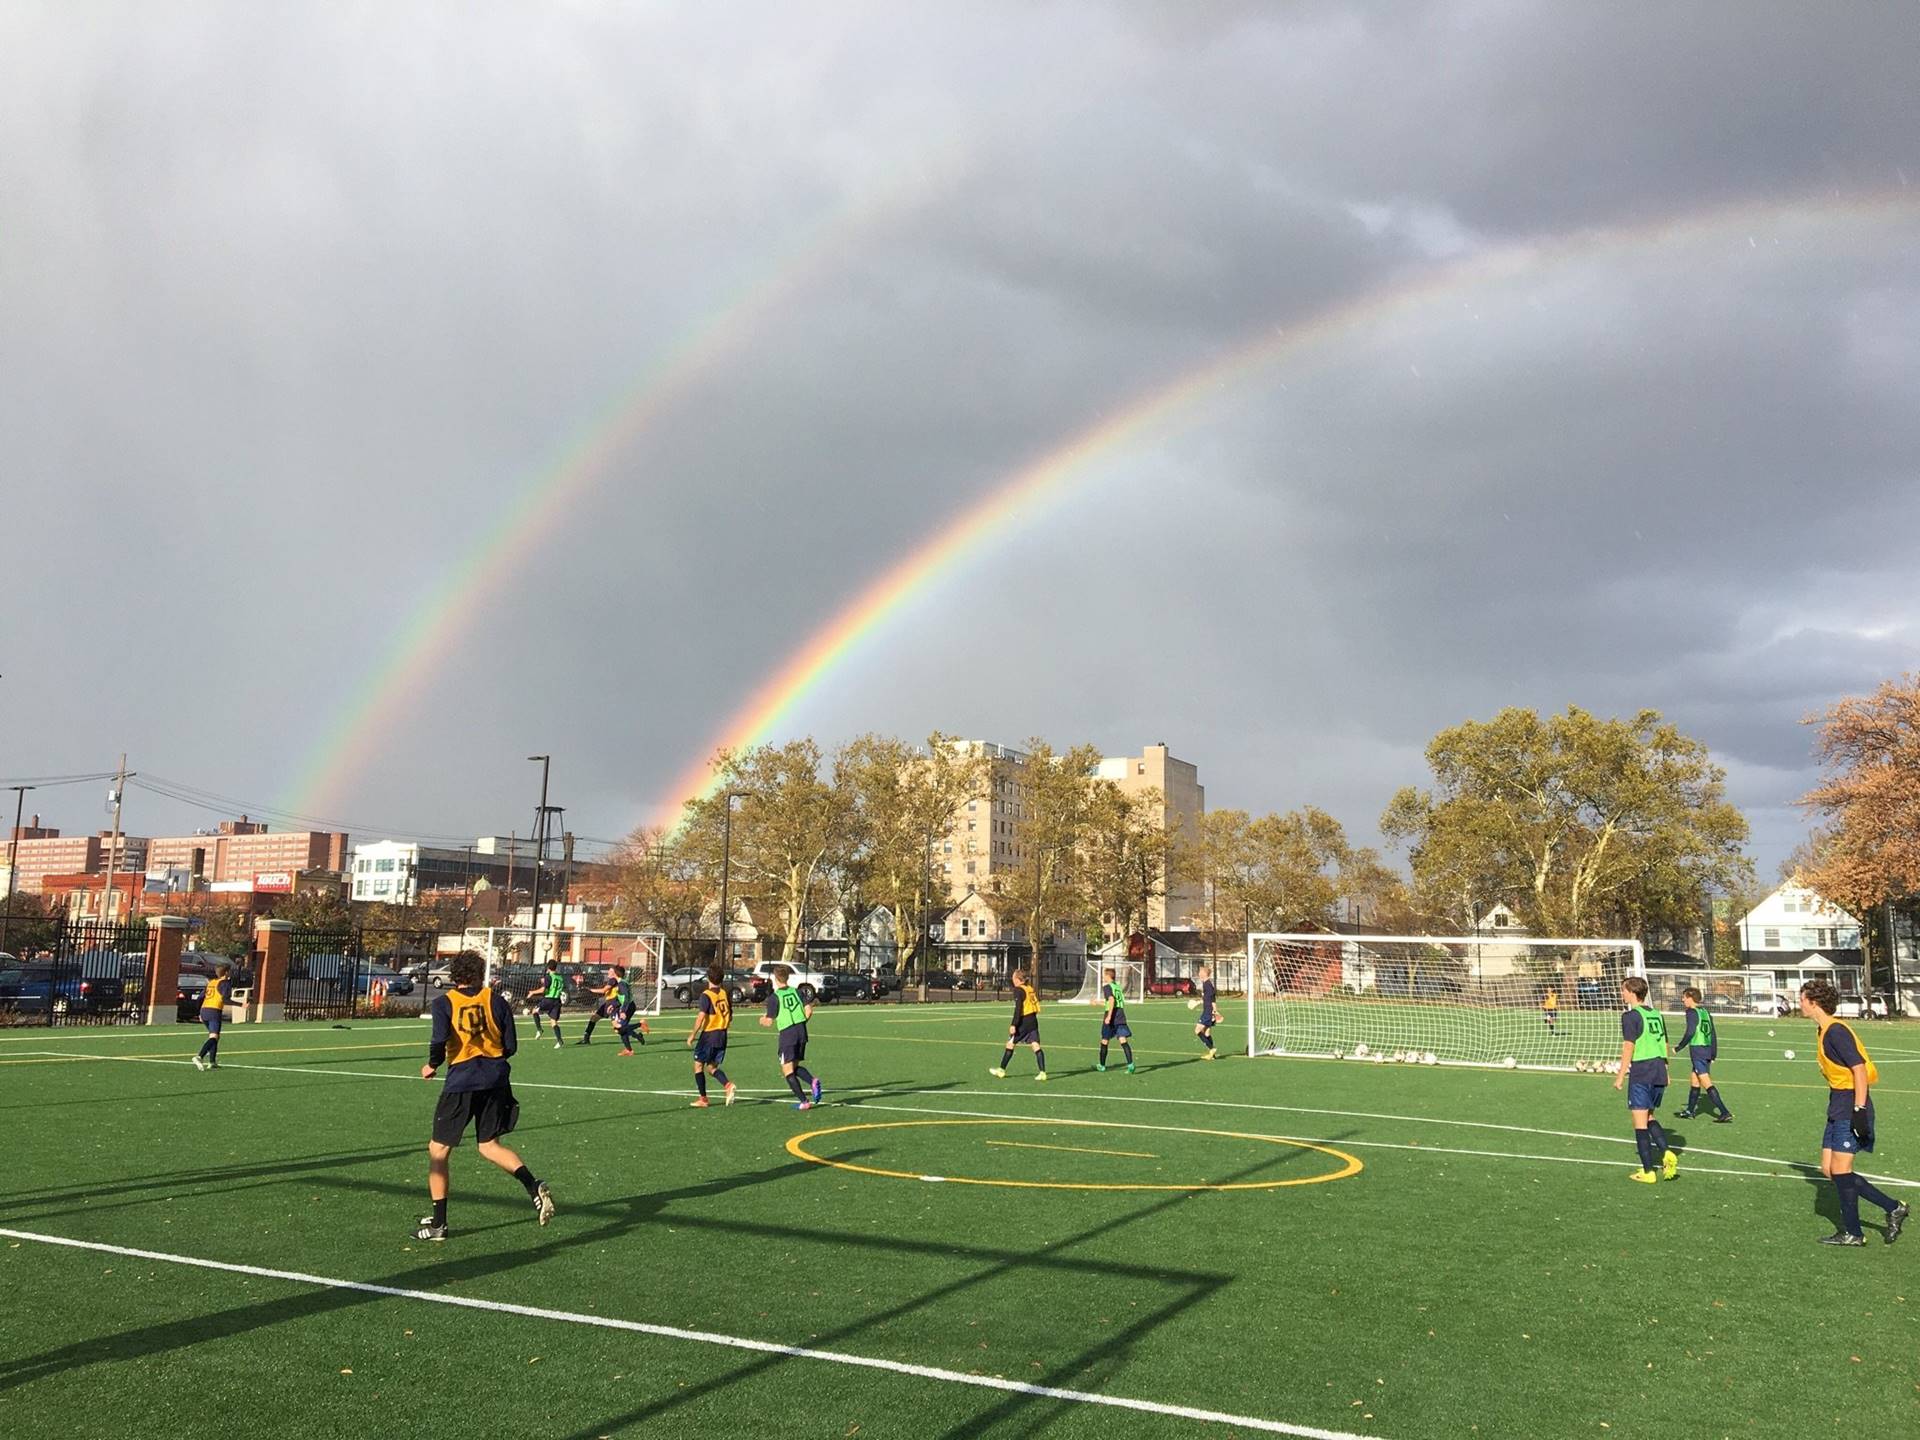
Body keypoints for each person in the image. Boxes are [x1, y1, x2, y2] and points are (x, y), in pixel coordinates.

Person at [415, 949, 553, 1241]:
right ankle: (532, 1184)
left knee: (438, 1150)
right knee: (488, 1145)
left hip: (463, 1081)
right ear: (479, 974)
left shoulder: (443, 1003)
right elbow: (511, 1045)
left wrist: (432, 1065)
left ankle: (439, 1224)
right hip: (496, 1079)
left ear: (454, 976)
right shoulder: (496, 1000)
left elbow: (440, 1039)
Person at [1800, 978, 1908, 1246]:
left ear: (1814, 1003)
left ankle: (1856, 1231)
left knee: (1842, 1170)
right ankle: (1891, 1208)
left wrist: (1859, 1110)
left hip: (1851, 1104)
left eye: (1802, 999)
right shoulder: (1823, 1030)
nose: (1799, 1003)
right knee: (1829, 1169)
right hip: (1838, 1103)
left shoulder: (1836, 1031)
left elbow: (1859, 1069)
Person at [1613, 976, 1677, 1184]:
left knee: (1639, 1124)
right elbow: (1664, 1042)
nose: (1622, 994)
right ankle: (1666, 1152)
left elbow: (1629, 1046)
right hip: (1658, 1068)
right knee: (1649, 1117)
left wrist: (1621, 1075)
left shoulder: (1630, 1016)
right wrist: (1666, 1070)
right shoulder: (1656, 1014)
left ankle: (1648, 1171)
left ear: (1632, 992)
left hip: (1642, 1070)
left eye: (1623, 990)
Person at [758, 964, 822, 1109]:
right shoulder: (797, 992)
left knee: (787, 1070)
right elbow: (809, 1010)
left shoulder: (775, 997)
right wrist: (802, 1023)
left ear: (775, 979)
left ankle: (804, 1101)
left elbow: (768, 1021)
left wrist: (762, 1020)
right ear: (787, 977)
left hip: (788, 1034)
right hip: (801, 1031)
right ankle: (812, 1081)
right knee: (794, 1065)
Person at [1672, 987, 1732, 1123]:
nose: (1682, 1000)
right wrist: (1713, 1053)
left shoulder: (1691, 1012)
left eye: (1684, 997)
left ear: (1690, 998)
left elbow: (1690, 1032)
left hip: (1698, 1050)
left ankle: (1724, 1111)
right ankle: (1690, 1111)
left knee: (1706, 1083)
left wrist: (1679, 1047)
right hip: (1706, 1050)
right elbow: (1713, 1034)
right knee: (1694, 1080)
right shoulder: (1705, 1012)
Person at [688, 963, 737, 1108]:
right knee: (711, 1068)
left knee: (698, 1066)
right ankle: (727, 1085)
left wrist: (692, 1035)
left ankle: (703, 1099)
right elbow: (730, 1015)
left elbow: (701, 1016)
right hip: (722, 1035)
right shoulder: (724, 993)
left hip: (709, 1035)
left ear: (708, 978)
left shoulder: (706, 995)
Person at [989, 968, 1047, 1080]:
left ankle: (1001, 1070)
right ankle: (1042, 1072)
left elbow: (1018, 1009)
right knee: (1035, 1045)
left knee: (1010, 1044)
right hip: (1033, 1020)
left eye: (1013, 978)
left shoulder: (1018, 990)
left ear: (1017, 979)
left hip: (1023, 1021)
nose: (1012, 980)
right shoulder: (1029, 989)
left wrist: (1013, 1024)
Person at [191, 962, 234, 1072]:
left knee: (214, 1036)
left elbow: (200, 998)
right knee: (214, 1037)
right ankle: (199, 1056)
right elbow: (225, 999)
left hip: (204, 1010)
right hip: (214, 1011)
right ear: (226, 972)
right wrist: (241, 1005)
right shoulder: (225, 983)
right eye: (230, 970)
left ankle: (212, 1062)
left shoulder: (212, 982)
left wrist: (199, 1013)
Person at [1096, 967, 1135, 1074]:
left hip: (1112, 1016)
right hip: (1120, 1015)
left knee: (1105, 1040)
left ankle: (1102, 1065)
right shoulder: (1117, 987)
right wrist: (1098, 1003)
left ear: (1108, 976)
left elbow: (1112, 1000)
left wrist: (1109, 1016)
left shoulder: (1107, 987)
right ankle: (1130, 1064)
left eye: (1104, 975)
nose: (1103, 977)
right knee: (1123, 1040)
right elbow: (1112, 1002)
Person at [530, 958, 566, 1047]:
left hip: (548, 1000)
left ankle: (539, 1030)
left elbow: (543, 989)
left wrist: (532, 992)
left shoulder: (549, 977)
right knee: (553, 1022)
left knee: (534, 1011)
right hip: (557, 1001)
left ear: (548, 967)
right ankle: (559, 1041)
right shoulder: (560, 977)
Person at [1194, 965, 1219, 1059]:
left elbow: (1209, 999)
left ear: (1204, 973)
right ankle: (1212, 1056)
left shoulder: (1207, 984)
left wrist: (1198, 1002)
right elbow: (1212, 999)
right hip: (1210, 1011)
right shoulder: (1207, 984)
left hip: (1207, 1012)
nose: (1199, 974)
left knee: (1197, 1031)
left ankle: (1212, 1049)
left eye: (1200, 972)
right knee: (1207, 1032)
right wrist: (1215, 1011)